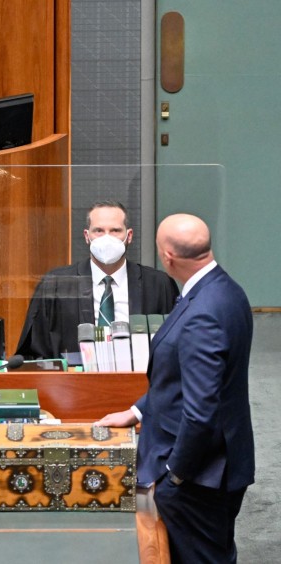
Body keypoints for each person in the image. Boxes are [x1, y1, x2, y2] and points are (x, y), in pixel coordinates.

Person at [97, 214, 254, 563]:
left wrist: (176, 476)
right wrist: (137, 410)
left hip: (201, 479)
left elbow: (200, 413)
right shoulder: (223, 289)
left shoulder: (203, 313)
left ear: (167, 257)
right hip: (217, 466)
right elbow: (186, 381)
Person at [16, 200, 178, 359]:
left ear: (128, 236)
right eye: (98, 230)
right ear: (87, 236)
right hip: (73, 382)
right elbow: (36, 351)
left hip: (139, 382)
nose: (107, 238)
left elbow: (175, 344)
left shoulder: (158, 284)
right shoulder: (56, 284)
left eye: (115, 230)